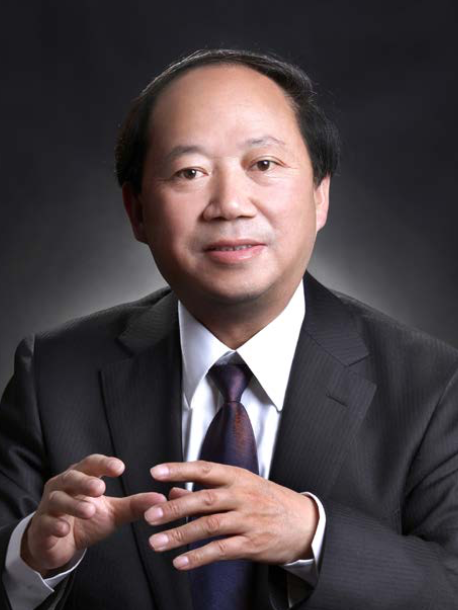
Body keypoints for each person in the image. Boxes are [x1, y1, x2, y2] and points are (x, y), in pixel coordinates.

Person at [1, 48, 457, 610]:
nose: (230, 204)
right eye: (189, 172)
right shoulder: (53, 374)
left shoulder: (433, 386)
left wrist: (311, 535)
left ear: (320, 194)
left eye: (263, 164)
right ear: (137, 211)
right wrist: (33, 559)